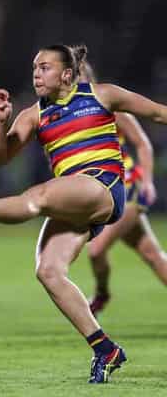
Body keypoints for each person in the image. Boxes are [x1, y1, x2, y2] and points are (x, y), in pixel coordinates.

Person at [0, 43, 167, 383]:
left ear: (67, 74)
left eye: (45, 67)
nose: (36, 73)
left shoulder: (102, 95)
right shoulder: (33, 114)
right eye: (35, 67)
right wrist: (1, 123)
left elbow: (159, 112)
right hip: (74, 199)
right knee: (49, 271)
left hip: (102, 187)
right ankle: (105, 349)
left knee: (38, 196)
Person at [78, 63, 167, 317]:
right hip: (104, 194)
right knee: (152, 255)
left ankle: (102, 294)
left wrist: (148, 180)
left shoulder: (110, 106)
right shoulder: (69, 117)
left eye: (77, 75)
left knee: (96, 249)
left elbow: (142, 144)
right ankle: (102, 293)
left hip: (128, 188)